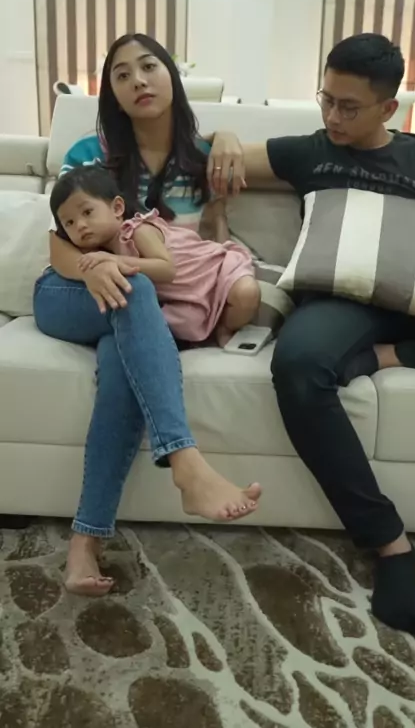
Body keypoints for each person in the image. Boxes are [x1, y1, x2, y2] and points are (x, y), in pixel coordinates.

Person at [208, 32, 415, 636]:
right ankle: (389, 542)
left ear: (388, 108)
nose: (332, 116)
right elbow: (216, 154)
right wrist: (223, 133)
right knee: (298, 365)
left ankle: (385, 356)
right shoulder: (312, 151)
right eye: (326, 99)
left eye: (348, 107)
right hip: (339, 300)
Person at [34, 33, 262, 597]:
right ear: (111, 93)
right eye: (121, 74)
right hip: (68, 291)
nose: (137, 80)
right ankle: (185, 463)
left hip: (139, 306)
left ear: (171, 77)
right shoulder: (88, 155)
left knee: (122, 359)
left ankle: (85, 543)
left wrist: (228, 135)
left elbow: (293, 168)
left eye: (148, 67)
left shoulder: (203, 158)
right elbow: (58, 245)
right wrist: (90, 268)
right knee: (131, 288)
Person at [50, 165, 260, 345]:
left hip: (216, 270)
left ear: (117, 208)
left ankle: (224, 327)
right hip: (186, 298)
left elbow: (166, 269)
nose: (80, 225)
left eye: (87, 212)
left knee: (246, 295)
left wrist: (115, 260)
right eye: (69, 222)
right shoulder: (98, 253)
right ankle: (211, 327)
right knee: (177, 325)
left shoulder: (137, 230)